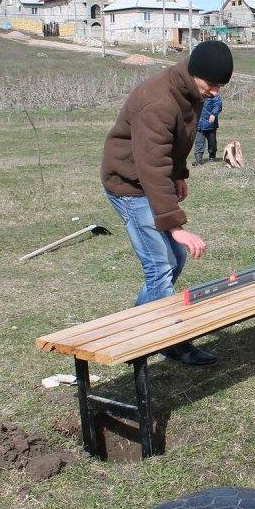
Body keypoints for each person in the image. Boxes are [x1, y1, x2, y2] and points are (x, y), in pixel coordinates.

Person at [100, 40, 233, 366]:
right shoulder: (158, 101)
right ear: (195, 73)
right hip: (129, 185)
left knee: (173, 262)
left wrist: (181, 173)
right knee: (159, 267)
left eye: (220, 86)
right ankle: (171, 342)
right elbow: (151, 167)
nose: (215, 92)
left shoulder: (191, 93)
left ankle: (135, 329)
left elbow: (175, 144)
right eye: (212, 85)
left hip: (150, 179)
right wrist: (175, 227)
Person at [194, 91, 222, 165]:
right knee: (199, 142)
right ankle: (198, 160)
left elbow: (218, 105)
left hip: (211, 123)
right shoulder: (196, 92)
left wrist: (213, 114)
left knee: (212, 142)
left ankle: (212, 157)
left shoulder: (213, 94)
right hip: (199, 123)